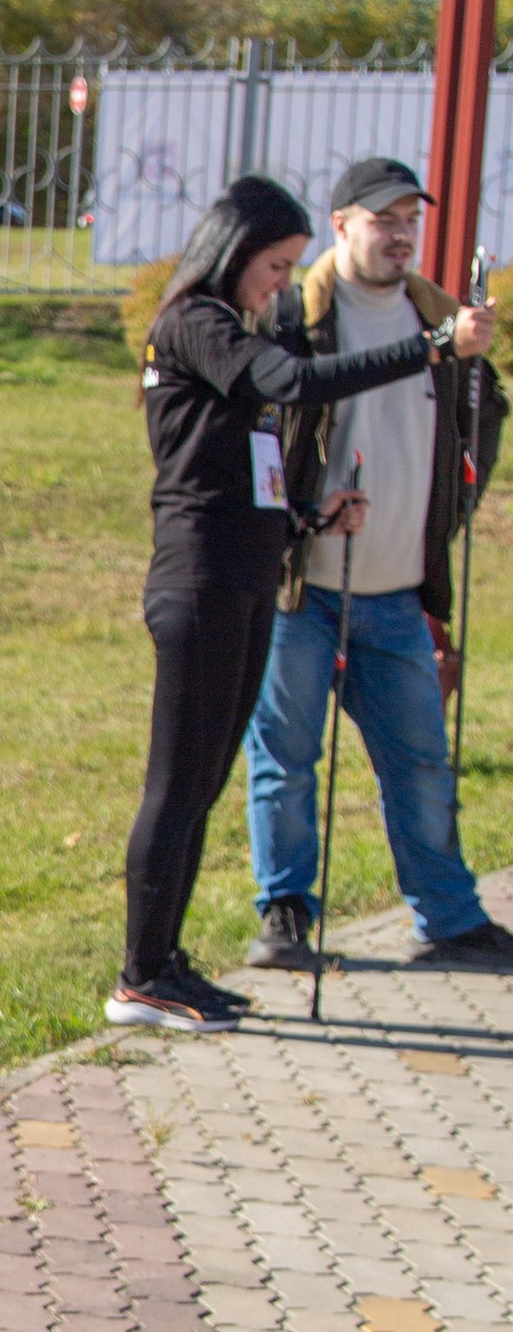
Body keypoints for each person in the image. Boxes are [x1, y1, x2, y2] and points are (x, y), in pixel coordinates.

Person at [108, 174, 472, 1033]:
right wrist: (433, 346)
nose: (281, 285)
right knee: (176, 785)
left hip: (245, 579)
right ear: (233, 253)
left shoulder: (232, 332)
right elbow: (293, 381)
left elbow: (243, 470)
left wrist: (308, 515)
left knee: (201, 785)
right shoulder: (196, 323)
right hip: (196, 584)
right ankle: (137, 976)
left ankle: (166, 961)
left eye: (290, 268)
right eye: (274, 266)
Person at [242, 154, 509, 974]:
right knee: (285, 761)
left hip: (396, 592)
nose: (399, 234)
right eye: (382, 218)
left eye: (409, 220)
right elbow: (257, 433)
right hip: (302, 588)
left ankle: (450, 918)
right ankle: (285, 915)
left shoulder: (443, 319)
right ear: (342, 224)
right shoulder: (295, 316)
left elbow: (483, 421)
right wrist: (284, 525)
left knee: (421, 763)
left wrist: (444, 520)